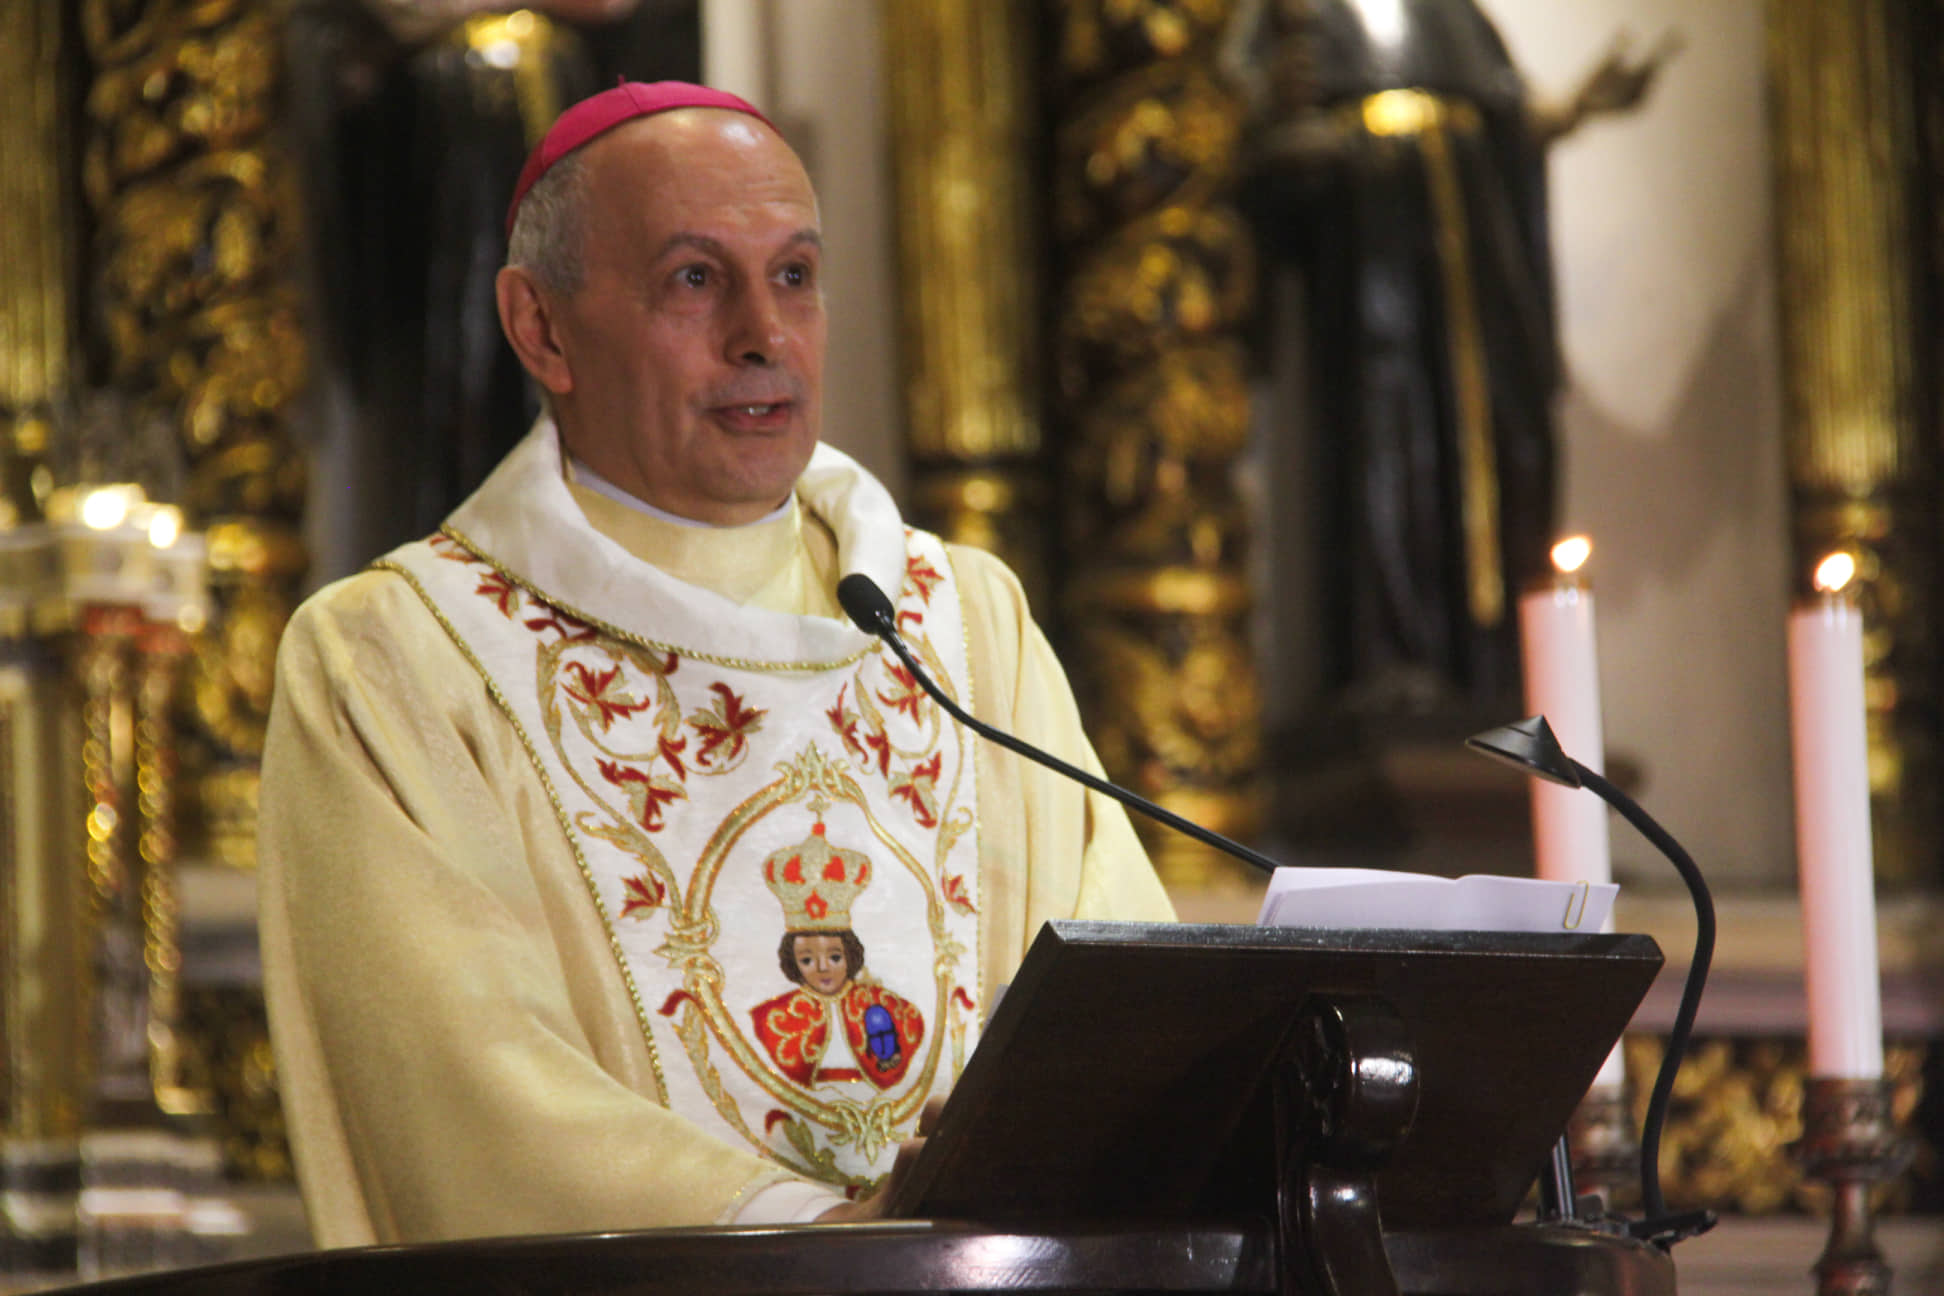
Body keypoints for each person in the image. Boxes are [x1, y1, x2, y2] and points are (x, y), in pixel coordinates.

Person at [257, 80, 1174, 1248]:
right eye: (695, 279)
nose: (762, 334)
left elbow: (1131, 1006)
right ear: (541, 328)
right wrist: (828, 1237)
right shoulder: (398, 661)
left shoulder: (964, 626)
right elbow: (470, 1091)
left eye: (794, 275)